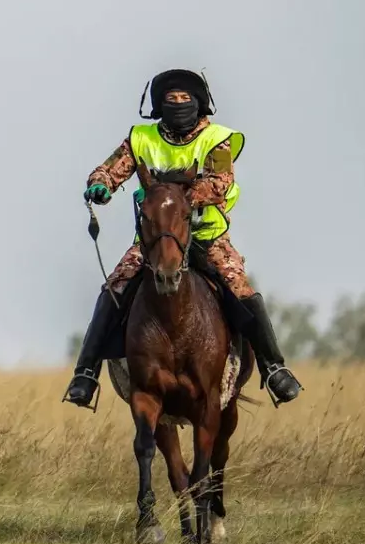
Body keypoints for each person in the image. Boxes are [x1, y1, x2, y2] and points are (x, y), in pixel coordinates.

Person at [64, 69, 303, 409]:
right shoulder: (141, 138)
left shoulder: (217, 139)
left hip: (206, 235)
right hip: (155, 240)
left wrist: (178, 198)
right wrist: (100, 185)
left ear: (198, 103)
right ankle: (85, 374)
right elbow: (110, 169)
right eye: (169, 100)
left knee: (242, 291)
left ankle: (274, 368)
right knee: (113, 289)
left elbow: (220, 182)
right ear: (159, 105)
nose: (177, 105)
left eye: (184, 99)